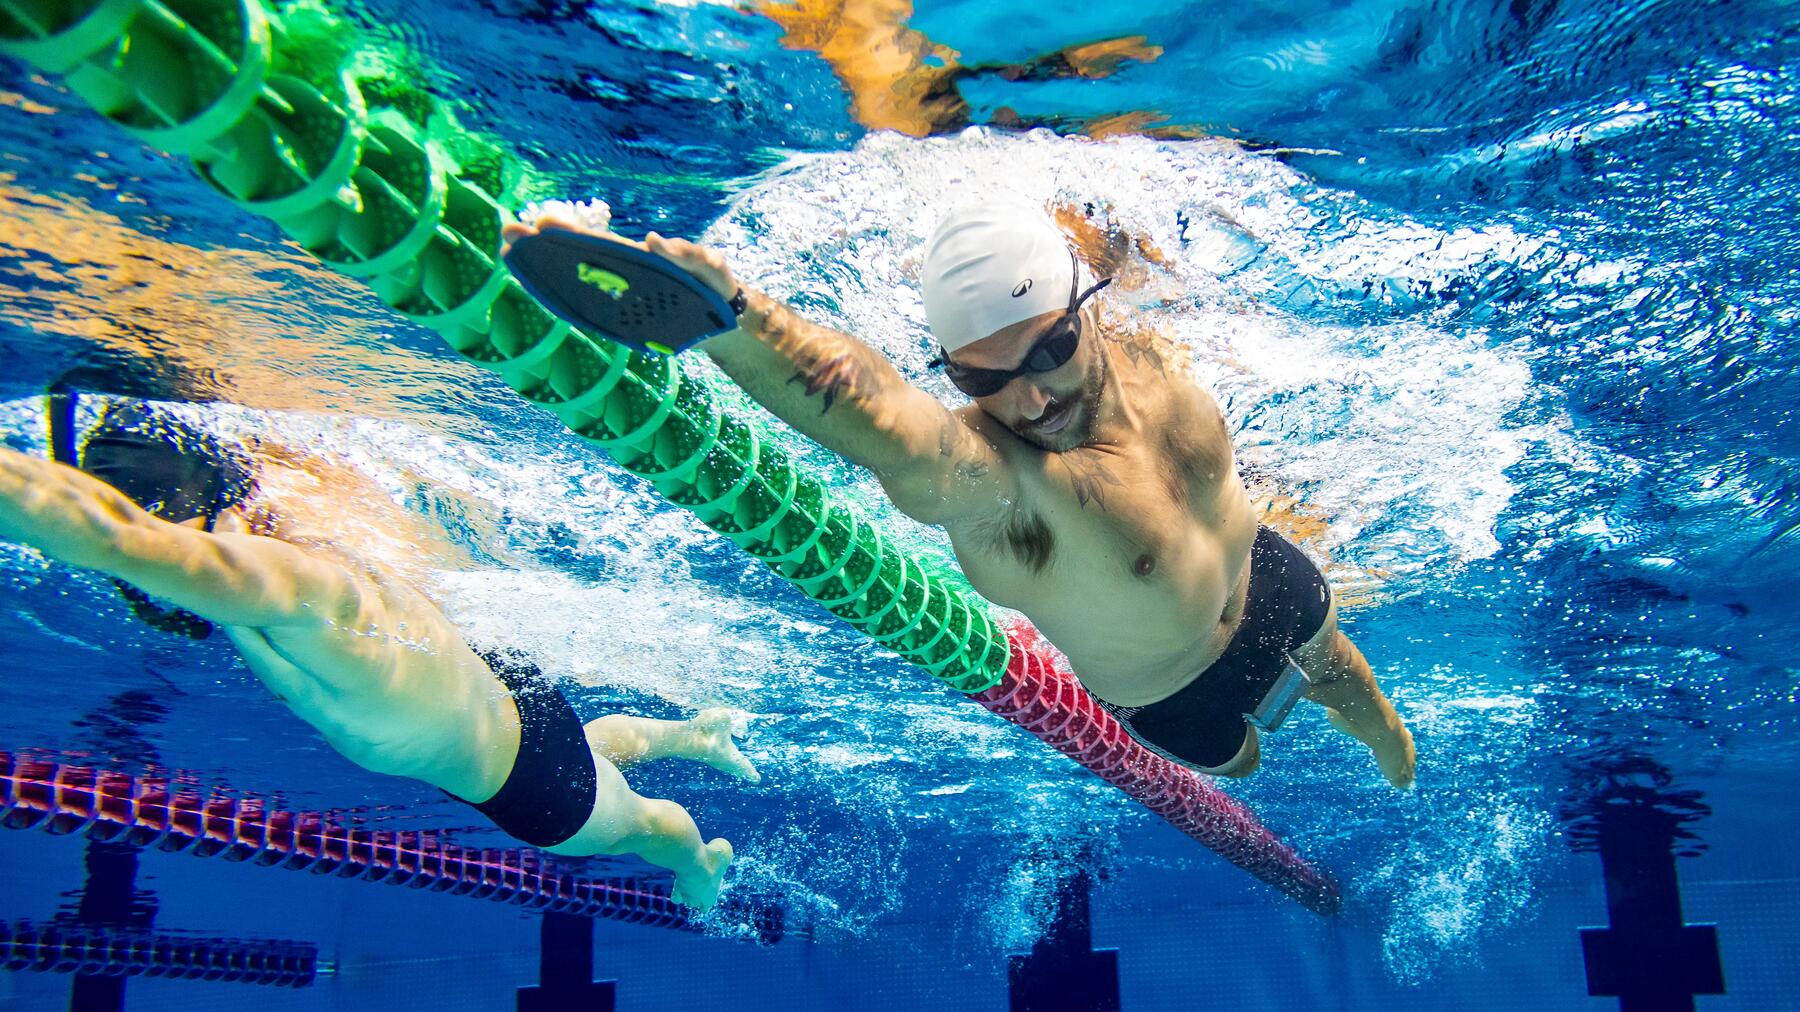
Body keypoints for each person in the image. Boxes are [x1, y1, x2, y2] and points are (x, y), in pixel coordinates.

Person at [503, 198, 1416, 788]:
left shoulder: (1139, 344)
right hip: (1173, 695)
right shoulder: (1008, 489)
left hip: (1271, 581)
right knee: (1244, 768)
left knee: (1348, 679)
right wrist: (732, 317)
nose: (1029, 399)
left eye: (1051, 352)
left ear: (1085, 306)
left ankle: (1388, 752)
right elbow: (890, 421)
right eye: (985, 382)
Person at [0, 400, 758, 908]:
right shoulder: (270, 575)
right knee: (593, 749)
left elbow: (122, 540)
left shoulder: (292, 587)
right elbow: (147, 547)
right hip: (494, 694)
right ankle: (691, 736)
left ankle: (700, 870)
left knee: (650, 826)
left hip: (530, 783)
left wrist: (114, 532)